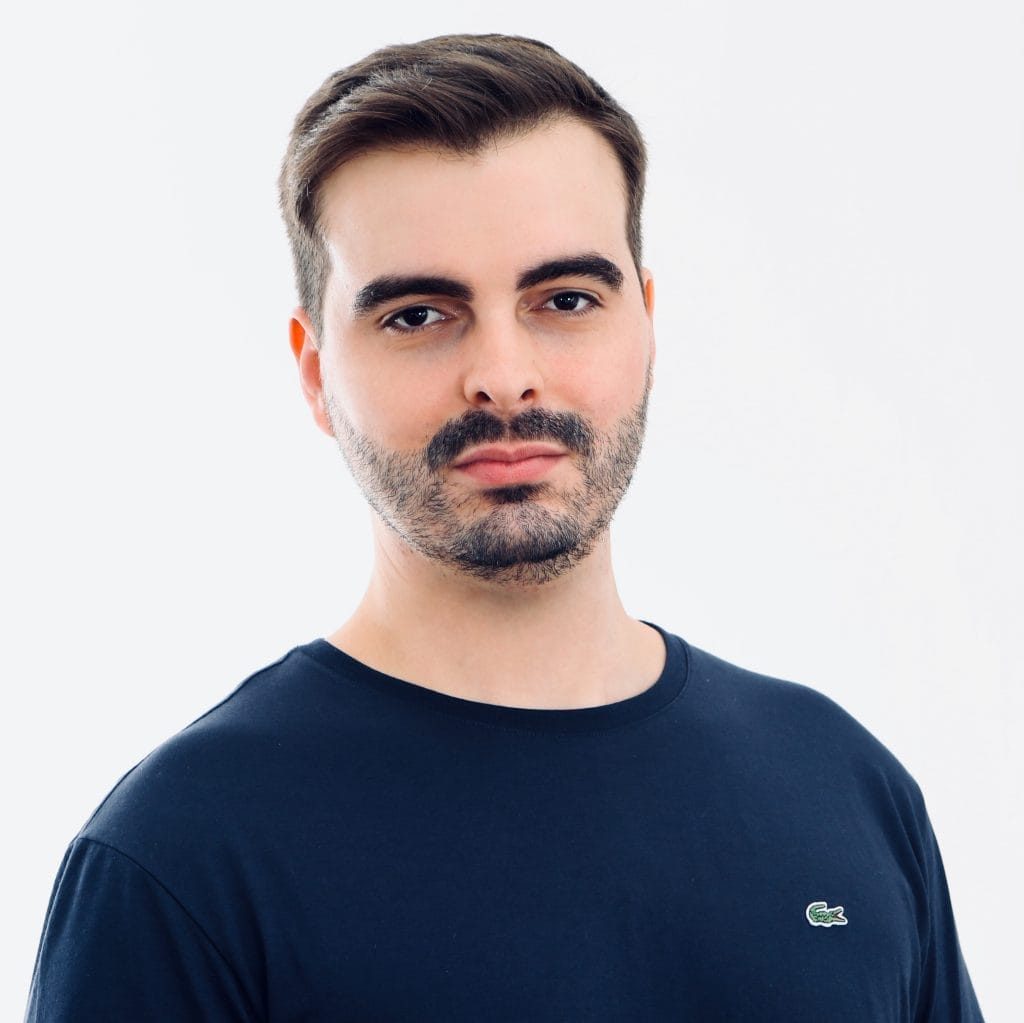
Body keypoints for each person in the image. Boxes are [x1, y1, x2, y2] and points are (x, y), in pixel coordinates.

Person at [26, 33, 982, 1021]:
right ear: (315, 373)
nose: (504, 375)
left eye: (564, 300)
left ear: (645, 325)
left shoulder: (841, 785)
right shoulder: (182, 855)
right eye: (417, 315)